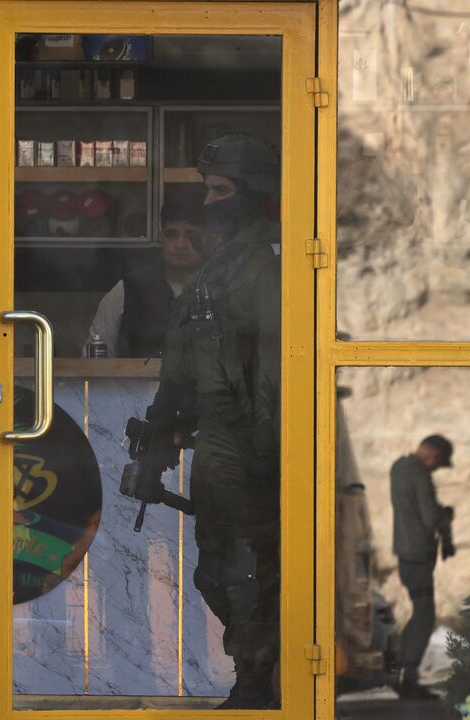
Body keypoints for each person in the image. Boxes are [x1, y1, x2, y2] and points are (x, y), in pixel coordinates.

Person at [136, 134, 282, 709]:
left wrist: (267, 447)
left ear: (253, 193)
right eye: (206, 190)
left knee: (248, 566)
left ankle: (259, 684)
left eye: (220, 190)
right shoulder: (222, 263)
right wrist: (166, 427)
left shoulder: (267, 261)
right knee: (217, 566)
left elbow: (274, 360)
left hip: (249, 437)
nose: (210, 200)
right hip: (217, 438)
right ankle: (252, 676)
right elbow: (190, 354)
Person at [86, 188, 211, 357]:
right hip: (135, 384)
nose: (180, 244)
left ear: (210, 238)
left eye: (191, 235)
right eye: (171, 234)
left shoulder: (227, 289)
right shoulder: (127, 290)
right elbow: (94, 363)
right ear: (161, 237)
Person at [389, 434, 455, 701]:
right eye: (438, 464)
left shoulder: (399, 467)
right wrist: (446, 515)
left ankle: (403, 673)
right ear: (434, 455)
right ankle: (408, 678)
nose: (436, 469)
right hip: (418, 558)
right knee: (424, 617)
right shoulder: (419, 474)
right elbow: (430, 518)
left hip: (407, 556)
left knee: (419, 613)